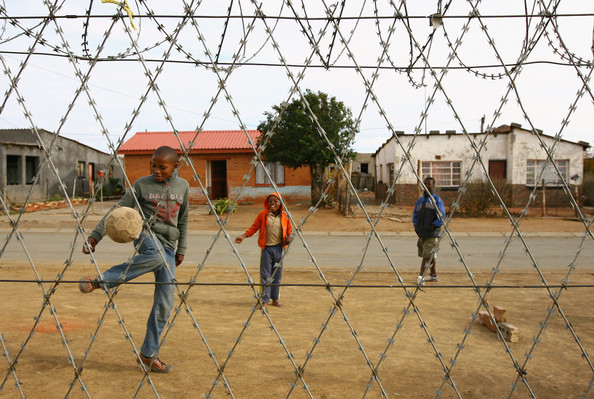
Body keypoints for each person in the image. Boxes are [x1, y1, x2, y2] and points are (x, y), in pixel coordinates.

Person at [79, 145, 189, 373]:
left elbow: (183, 220)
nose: (156, 170)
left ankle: (148, 355)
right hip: (146, 235)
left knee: (165, 304)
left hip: (169, 245)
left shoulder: (183, 186)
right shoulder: (141, 185)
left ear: (175, 167)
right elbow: (117, 211)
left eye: (162, 167)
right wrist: (94, 237)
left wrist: (182, 248)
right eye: (153, 165)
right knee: (156, 255)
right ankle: (103, 280)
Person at [235, 193, 292, 309]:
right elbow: (254, 227)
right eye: (270, 201)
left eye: (275, 201)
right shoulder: (263, 215)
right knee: (265, 275)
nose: (273, 204)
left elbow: (290, 231)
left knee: (277, 274)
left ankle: (275, 299)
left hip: (279, 249)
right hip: (266, 249)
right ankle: (265, 300)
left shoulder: (285, 216)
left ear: (280, 203)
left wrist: (289, 238)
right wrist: (243, 236)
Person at [413, 176, 446, 286]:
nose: (426, 186)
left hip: (432, 233)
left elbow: (441, 215)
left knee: (427, 255)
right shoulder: (420, 201)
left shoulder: (437, 200)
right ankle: (433, 274)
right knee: (429, 254)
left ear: (433, 186)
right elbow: (415, 215)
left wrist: (433, 225)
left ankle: (421, 277)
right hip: (422, 233)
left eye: (429, 184)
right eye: (425, 184)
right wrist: (416, 226)